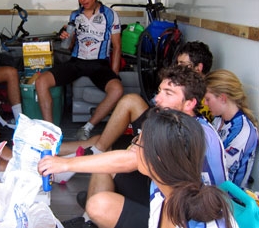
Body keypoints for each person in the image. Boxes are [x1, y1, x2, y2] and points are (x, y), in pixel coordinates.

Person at [39, 65, 227, 228]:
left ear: (190, 103)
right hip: (167, 193)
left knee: (99, 204)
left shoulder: (189, 133)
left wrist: (65, 165)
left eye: (168, 94)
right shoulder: (177, 121)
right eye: (159, 91)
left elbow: (132, 159)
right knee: (104, 165)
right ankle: (89, 222)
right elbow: (134, 153)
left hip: (187, 215)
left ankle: (100, 215)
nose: (157, 99)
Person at [58, 40, 214, 156]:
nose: (178, 67)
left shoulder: (203, 96)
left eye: (182, 64)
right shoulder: (182, 86)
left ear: (198, 68)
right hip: (157, 123)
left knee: (130, 102)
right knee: (101, 140)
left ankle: (91, 152)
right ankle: (48, 150)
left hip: (163, 136)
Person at [35, 0, 123, 140]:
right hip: (77, 61)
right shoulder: (75, 15)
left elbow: (117, 47)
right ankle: (50, 131)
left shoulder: (110, 15)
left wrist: (114, 75)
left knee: (117, 89)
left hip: (99, 64)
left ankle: (87, 127)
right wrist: (66, 38)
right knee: (41, 81)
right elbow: (69, 47)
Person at [138, 108, 236, 228]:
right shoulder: (158, 191)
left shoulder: (206, 224)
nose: (134, 150)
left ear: (158, 159)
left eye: (137, 144)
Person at [205, 69, 258, 187]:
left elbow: (221, 173)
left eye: (208, 99)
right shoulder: (218, 119)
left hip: (228, 198)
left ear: (223, 98)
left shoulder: (243, 132)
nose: (205, 103)